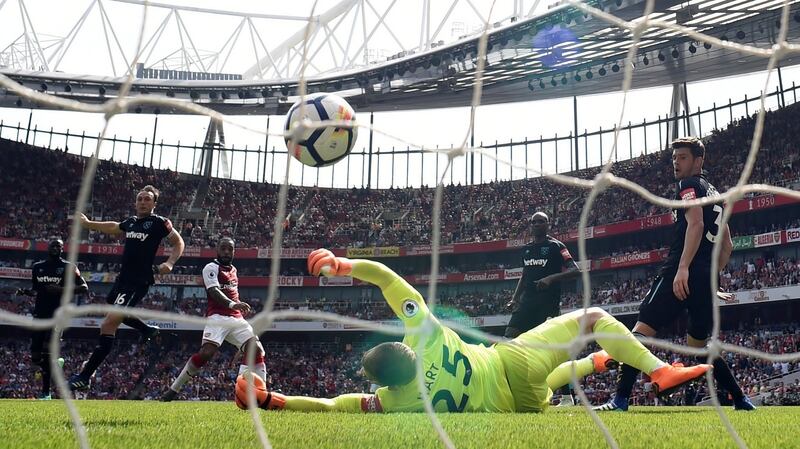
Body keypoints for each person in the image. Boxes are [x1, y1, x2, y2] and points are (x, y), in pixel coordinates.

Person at [239, 248, 711, 413]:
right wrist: (343, 266)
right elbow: (388, 280)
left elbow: (329, 406)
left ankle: (598, 362)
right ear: (402, 347)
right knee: (591, 318)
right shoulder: (426, 337)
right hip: (510, 362)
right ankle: (656, 371)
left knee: (547, 382)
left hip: (515, 405)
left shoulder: (395, 404)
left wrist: (275, 400)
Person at [594, 137, 755, 412]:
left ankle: (620, 400)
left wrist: (683, 268)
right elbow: (726, 244)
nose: (676, 163)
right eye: (674, 158)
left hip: (679, 271)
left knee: (640, 331)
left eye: (682, 157)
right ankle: (741, 400)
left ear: (698, 161)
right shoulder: (716, 193)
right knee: (700, 346)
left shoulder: (688, 185)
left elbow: (695, 223)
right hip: (704, 278)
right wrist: (708, 278)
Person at [68, 185, 185, 391]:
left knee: (109, 323)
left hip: (139, 280)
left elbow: (178, 242)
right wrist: (88, 224)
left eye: (147, 199)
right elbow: (114, 227)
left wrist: (170, 263)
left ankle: (85, 376)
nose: (142, 202)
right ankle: (147, 329)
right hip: (123, 279)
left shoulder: (159, 222)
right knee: (112, 315)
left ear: (154, 204)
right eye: (139, 199)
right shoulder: (130, 222)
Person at [161, 237, 265, 401]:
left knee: (256, 349)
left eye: (229, 249)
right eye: (223, 248)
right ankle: (173, 390)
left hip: (237, 319)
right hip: (217, 317)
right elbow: (214, 291)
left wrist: (237, 306)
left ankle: (257, 395)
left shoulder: (234, 270)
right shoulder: (211, 267)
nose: (226, 252)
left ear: (233, 251)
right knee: (206, 353)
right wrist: (232, 304)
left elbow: (232, 293)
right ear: (217, 250)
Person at [505, 211, 581, 405]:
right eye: (534, 222)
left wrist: (550, 278)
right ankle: (507, 391)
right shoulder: (527, 249)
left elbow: (575, 270)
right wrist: (515, 299)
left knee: (553, 350)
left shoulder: (556, 246)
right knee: (507, 341)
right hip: (526, 304)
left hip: (547, 305)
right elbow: (524, 274)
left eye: (541, 221)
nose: (537, 224)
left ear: (548, 224)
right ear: (530, 225)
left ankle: (567, 397)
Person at [16, 238, 88, 399]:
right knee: (35, 356)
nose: (55, 248)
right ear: (48, 248)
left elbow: (84, 288)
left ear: (62, 249)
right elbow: (36, 290)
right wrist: (25, 292)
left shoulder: (69, 267)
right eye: (53, 245)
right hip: (39, 315)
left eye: (59, 246)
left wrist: (61, 289)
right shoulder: (37, 267)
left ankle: (46, 392)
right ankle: (56, 364)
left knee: (47, 353)